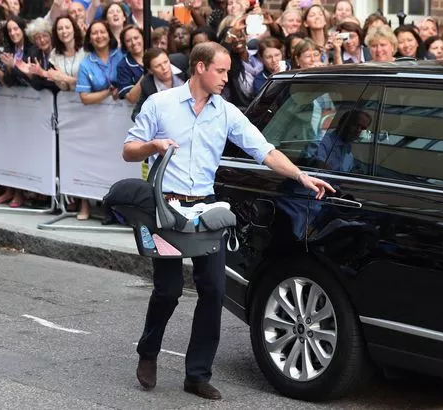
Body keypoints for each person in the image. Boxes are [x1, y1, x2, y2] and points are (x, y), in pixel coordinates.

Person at [123, 41, 334, 400]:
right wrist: (153, 146)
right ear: (200, 68)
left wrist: (301, 177)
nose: (226, 77)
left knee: (214, 289)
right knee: (168, 290)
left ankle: (197, 374)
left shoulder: (227, 112)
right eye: (220, 71)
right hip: (166, 208)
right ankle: (148, 350)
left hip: (207, 209)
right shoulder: (160, 104)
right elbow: (128, 150)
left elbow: (264, 150)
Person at [131, 47, 184, 121]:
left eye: (165, 62)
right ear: (150, 71)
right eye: (158, 66)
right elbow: (136, 113)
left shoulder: (183, 64)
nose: (164, 68)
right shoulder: (147, 85)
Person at [116, 24, 144, 102]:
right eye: (128, 41)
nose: (133, 42)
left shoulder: (155, 54)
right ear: (124, 44)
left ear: (143, 37)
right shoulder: (122, 66)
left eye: (136, 38)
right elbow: (131, 98)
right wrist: (147, 73)